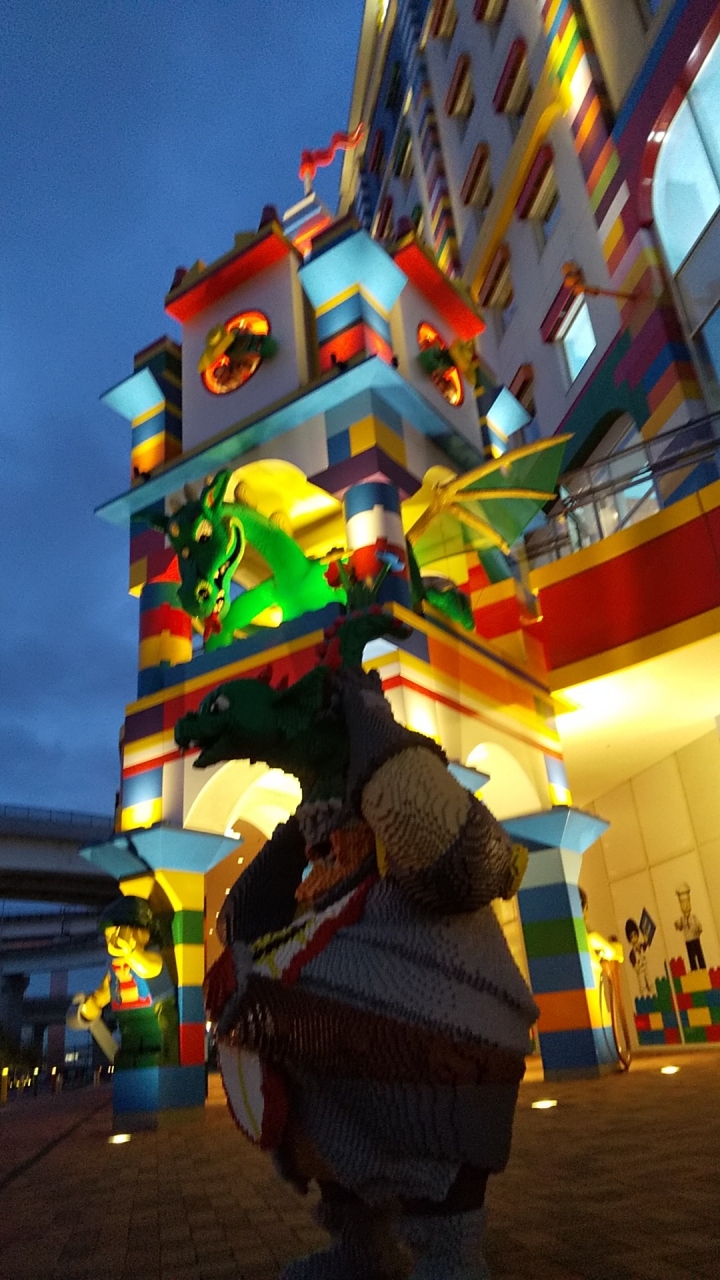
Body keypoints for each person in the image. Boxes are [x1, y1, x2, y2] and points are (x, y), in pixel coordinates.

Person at [674, 882, 705, 970]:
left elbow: (700, 927)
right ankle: (694, 970)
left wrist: (697, 930)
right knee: (692, 958)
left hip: (695, 939)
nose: (686, 906)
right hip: (688, 941)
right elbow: (679, 926)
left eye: (687, 902)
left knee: (699, 955)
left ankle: (703, 968)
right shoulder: (682, 919)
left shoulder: (694, 917)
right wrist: (676, 925)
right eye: (683, 903)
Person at [625, 918, 653, 997]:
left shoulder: (642, 946)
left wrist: (646, 940)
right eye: (632, 936)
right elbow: (635, 967)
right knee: (643, 988)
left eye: (635, 935)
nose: (634, 937)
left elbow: (647, 948)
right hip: (640, 972)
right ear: (629, 939)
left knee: (650, 984)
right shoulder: (632, 954)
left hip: (646, 969)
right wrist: (637, 966)